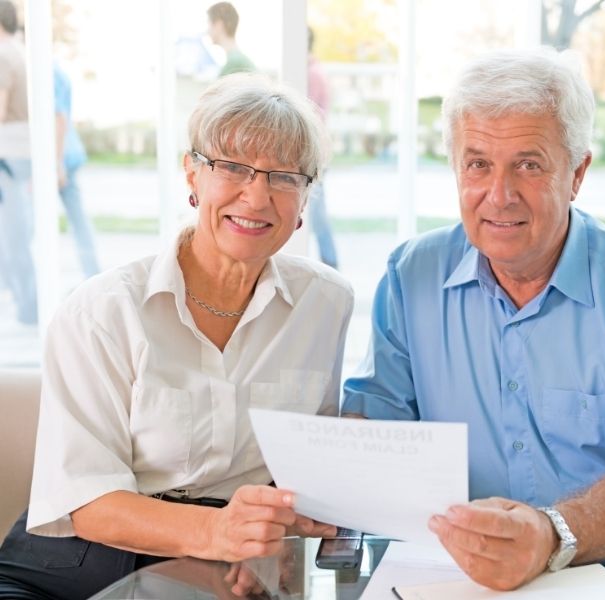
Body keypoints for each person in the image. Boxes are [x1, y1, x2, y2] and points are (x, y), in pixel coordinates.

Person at [342, 47, 605, 591]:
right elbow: (373, 426)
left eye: (528, 164)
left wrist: (552, 533)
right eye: (478, 164)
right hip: (451, 551)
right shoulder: (411, 274)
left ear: (577, 172)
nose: (500, 194)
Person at [0, 73, 353, 599]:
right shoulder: (103, 310)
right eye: (233, 167)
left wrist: (294, 513)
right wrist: (218, 532)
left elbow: (309, 457)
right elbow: (85, 501)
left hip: (224, 569)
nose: (257, 196)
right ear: (192, 175)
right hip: (74, 566)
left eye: (284, 177)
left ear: (305, 201)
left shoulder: (325, 303)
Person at [0, 0, 36, 325]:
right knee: (18, 230)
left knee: (12, 233)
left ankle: (28, 305)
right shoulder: (23, 51)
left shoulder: (2, 55)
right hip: (23, 152)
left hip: (7, 154)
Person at [54, 62, 100, 278]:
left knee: (32, 222)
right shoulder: (57, 69)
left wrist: (57, 162)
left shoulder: (46, 70)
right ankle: (92, 273)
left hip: (58, 158)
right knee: (78, 220)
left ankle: (92, 275)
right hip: (65, 154)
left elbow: (59, 118)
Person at [306, 27, 338, 268]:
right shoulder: (313, 71)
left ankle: (330, 263)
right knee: (315, 213)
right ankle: (329, 261)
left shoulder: (312, 74)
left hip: (313, 155)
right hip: (313, 153)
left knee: (317, 215)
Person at [207, 1, 255, 77]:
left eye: (209, 24)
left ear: (218, 24)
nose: (208, 31)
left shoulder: (234, 63)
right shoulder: (240, 60)